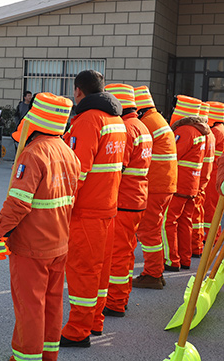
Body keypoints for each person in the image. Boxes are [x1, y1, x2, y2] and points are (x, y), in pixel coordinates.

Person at [0, 92, 80, 361]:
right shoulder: (69, 153)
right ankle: (48, 356)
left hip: (31, 247)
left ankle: (26, 357)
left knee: (30, 307)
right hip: (59, 244)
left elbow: (18, 203)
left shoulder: (33, 154)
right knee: (52, 304)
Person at [60, 70, 126, 348]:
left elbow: (78, 171)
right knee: (99, 270)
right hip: (108, 207)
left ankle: (78, 330)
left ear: (78, 91)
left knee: (83, 271)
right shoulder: (117, 120)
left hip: (86, 210)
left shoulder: (88, 120)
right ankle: (94, 321)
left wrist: (61, 206)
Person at [102, 84, 152, 317]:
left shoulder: (126, 128)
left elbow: (117, 167)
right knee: (127, 251)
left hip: (124, 200)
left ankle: (115, 302)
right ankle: (121, 295)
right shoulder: (141, 125)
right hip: (137, 198)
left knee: (119, 253)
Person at [132, 86, 178, 290]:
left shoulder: (147, 123)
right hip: (165, 184)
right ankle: (156, 271)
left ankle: (152, 274)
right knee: (154, 229)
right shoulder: (156, 119)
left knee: (148, 231)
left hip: (156, 185)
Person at [164, 95, 208, 272]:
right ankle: (185, 258)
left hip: (179, 184)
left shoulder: (185, 131)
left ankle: (172, 260)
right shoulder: (200, 131)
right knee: (185, 222)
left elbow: (172, 154)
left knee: (169, 222)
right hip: (191, 185)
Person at [191, 104, 216, 257]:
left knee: (196, 214)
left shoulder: (205, 132)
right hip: (205, 176)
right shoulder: (211, 133)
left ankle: (198, 243)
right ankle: (200, 243)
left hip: (196, 178)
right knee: (200, 213)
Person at [203, 101, 224, 241]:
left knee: (210, 208)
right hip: (215, 172)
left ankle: (211, 237)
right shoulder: (221, 129)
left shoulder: (216, 131)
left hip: (214, 173)